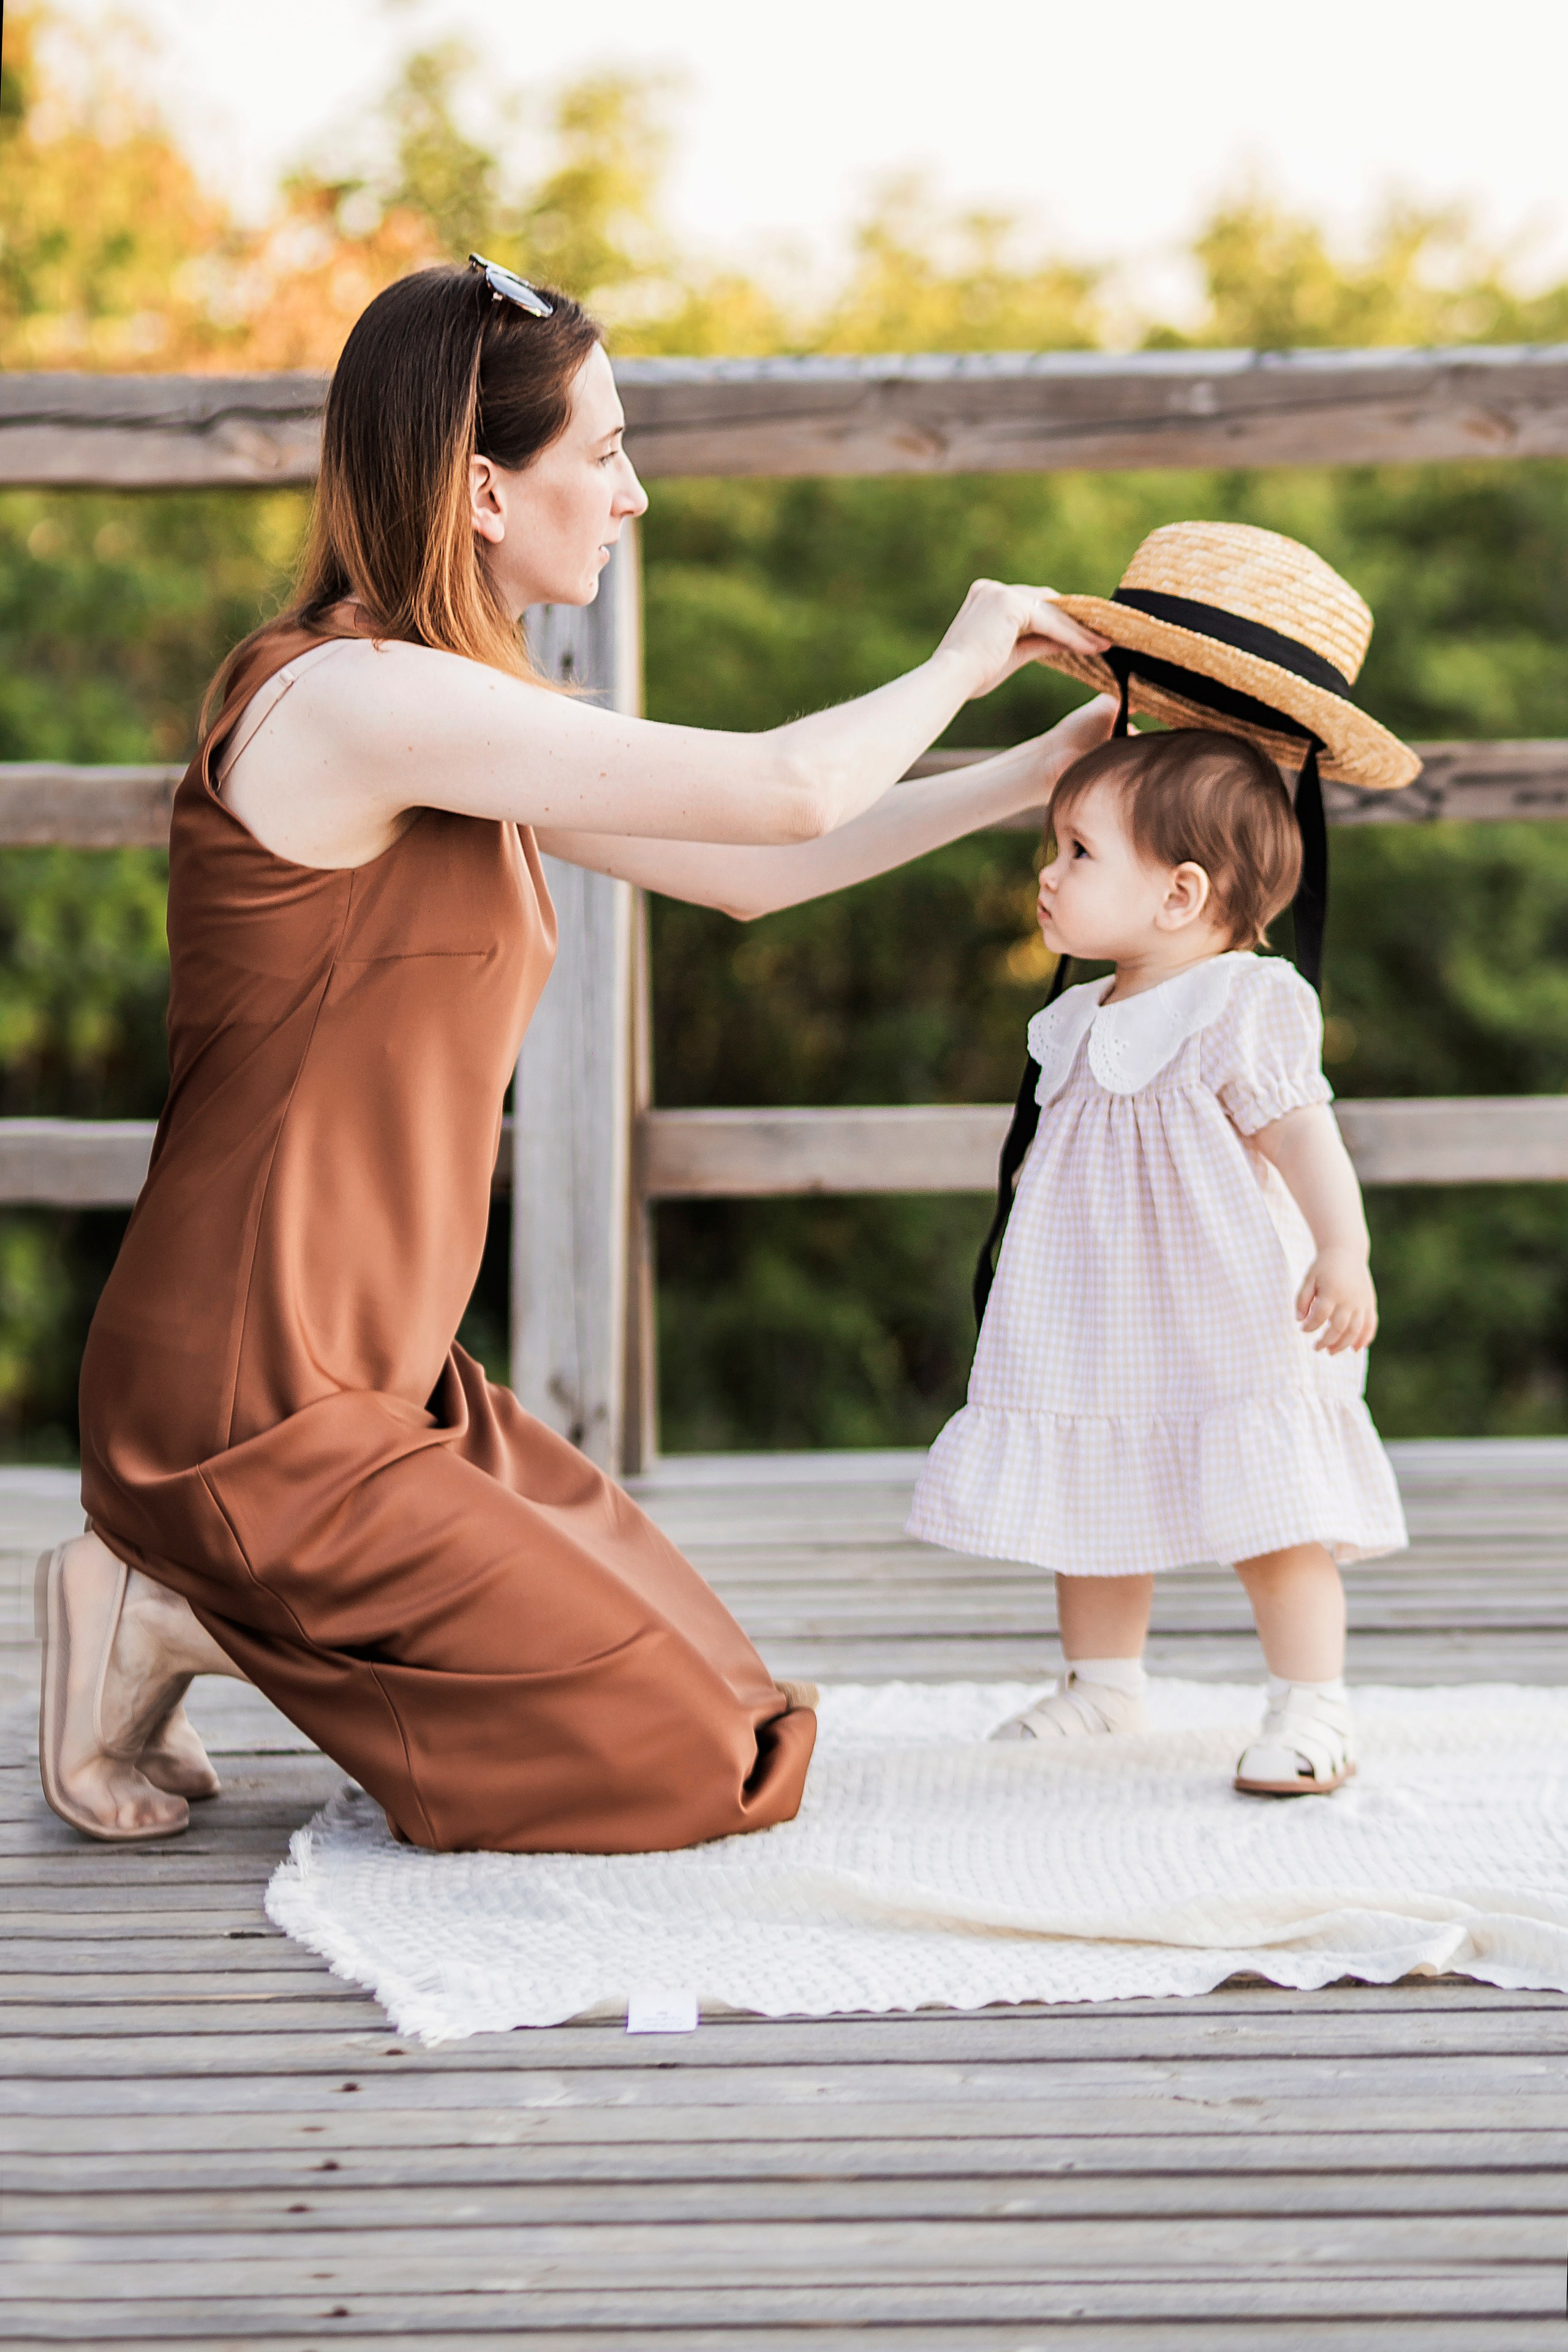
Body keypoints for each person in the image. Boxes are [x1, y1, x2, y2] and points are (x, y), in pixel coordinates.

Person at [37, 254, 1115, 1849]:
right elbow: (782, 793)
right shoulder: (354, 699)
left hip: (386, 1382)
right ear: (482, 489)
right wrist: (966, 657)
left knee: (742, 1712)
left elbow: (754, 872)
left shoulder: (451, 713)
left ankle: (183, 1601)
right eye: (604, 453)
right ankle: (180, 1595)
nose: (633, 496)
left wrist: (1033, 770)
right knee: (698, 1769)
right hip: (249, 1402)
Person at [907, 727, 1408, 1793]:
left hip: (1221, 1309)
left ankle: (1313, 1702)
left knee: (1273, 1509)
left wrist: (1344, 1247)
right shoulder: (1076, 1017)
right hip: (1095, 1310)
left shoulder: (1241, 1003)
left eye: (1080, 852)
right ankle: (1104, 1685)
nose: (1050, 873)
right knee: (1091, 1499)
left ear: (1181, 894)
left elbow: (1303, 1134)